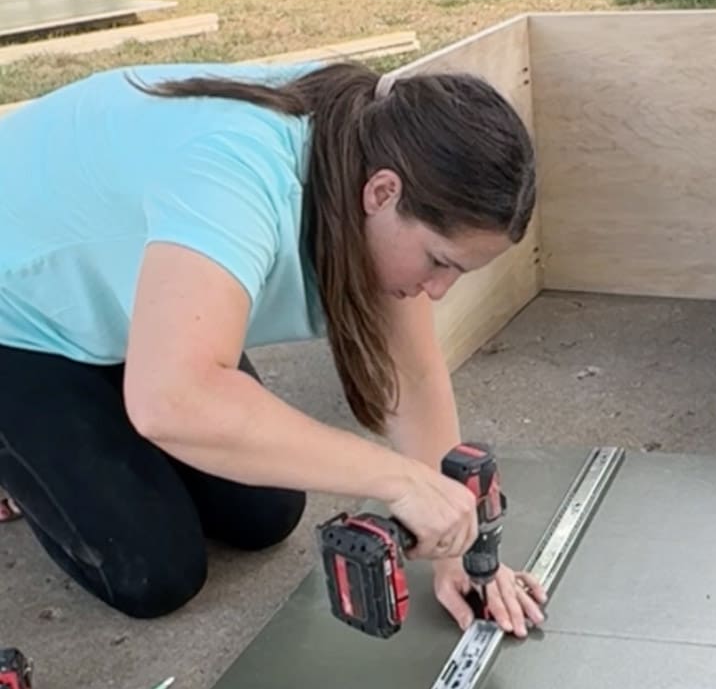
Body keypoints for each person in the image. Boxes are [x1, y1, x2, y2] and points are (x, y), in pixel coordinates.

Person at [0, 56, 547, 636]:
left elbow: (410, 375)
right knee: (153, 571)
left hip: (125, 297)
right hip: (21, 316)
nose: (437, 291)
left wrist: (457, 547)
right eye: (438, 261)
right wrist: (400, 480)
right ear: (383, 192)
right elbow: (170, 400)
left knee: (266, 512)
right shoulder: (235, 177)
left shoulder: (374, 149)